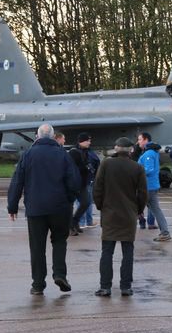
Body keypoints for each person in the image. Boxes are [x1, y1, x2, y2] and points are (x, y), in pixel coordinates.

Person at [7, 123, 80, 295]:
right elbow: (74, 181)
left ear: (37, 136)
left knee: (37, 246)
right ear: (54, 137)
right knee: (59, 241)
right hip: (60, 206)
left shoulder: (28, 154)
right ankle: (60, 274)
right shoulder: (63, 154)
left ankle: (38, 284)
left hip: (36, 207)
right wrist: (69, 200)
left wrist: (12, 206)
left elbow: (17, 181)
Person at [93, 137, 148, 297]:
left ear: (116, 149)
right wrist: (138, 210)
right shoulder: (137, 167)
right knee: (128, 251)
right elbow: (143, 194)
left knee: (107, 251)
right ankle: (126, 286)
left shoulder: (106, 164)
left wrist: (101, 206)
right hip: (129, 214)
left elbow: (97, 188)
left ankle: (105, 286)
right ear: (131, 150)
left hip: (109, 213)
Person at [138, 135, 170, 237]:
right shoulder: (151, 152)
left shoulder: (149, 153)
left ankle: (120, 230)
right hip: (150, 186)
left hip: (148, 187)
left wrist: (135, 172)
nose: (138, 142)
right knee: (155, 210)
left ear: (146, 140)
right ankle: (165, 231)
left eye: (140, 139)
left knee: (132, 207)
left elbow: (149, 169)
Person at [69, 132, 94, 235]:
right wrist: (85, 168)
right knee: (69, 206)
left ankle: (75, 221)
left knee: (86, 202)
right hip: (74, 184)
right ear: (81, 141)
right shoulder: (73, 152)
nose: (89, 143)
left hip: (82, 184)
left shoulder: (85, 151)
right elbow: (72, 168)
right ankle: (71, 226)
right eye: (87, 141)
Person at [80, 145, 101, 228]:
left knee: (81, 202)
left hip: (80, 181)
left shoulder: (75, 153)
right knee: (88, 202)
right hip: (89, 180)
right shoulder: (92, 154)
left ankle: (81, 222)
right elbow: (97, 166)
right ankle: (88, 222)